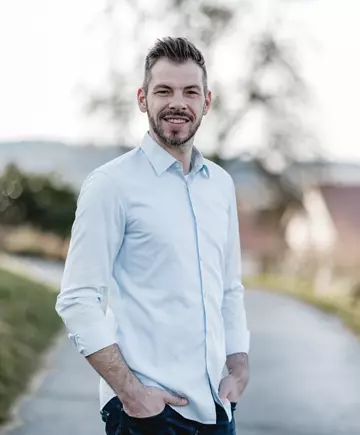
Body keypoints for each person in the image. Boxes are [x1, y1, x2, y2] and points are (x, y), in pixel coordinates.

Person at [55, 36, 250, 435]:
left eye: (190, 91)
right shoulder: (111, 184)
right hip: (148, 415)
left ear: (206, 102)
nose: (178, 102)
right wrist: (131, 394)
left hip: (217, 409)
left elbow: (229, 287)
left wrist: (239, 363)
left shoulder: (221, 185)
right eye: (164, 90)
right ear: (143, 99)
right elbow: (77, 300)